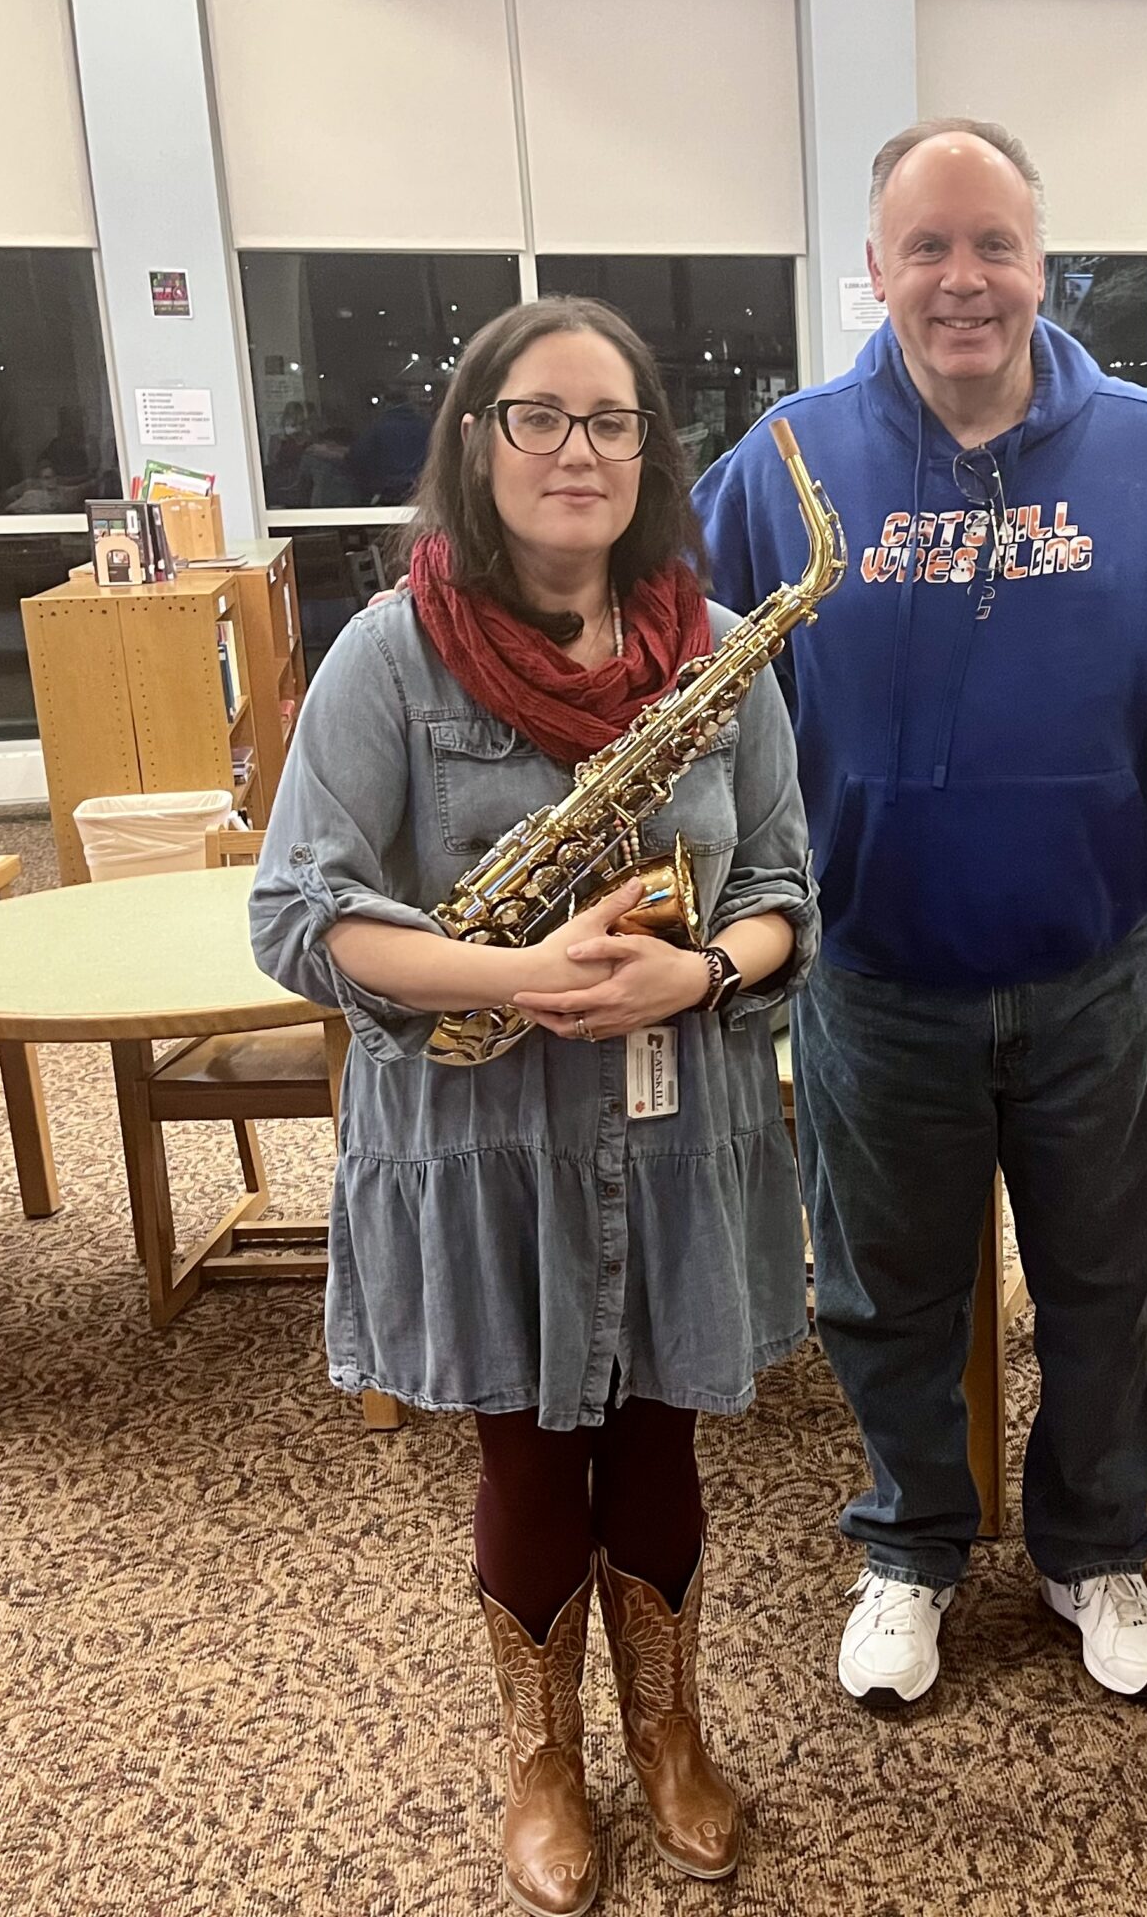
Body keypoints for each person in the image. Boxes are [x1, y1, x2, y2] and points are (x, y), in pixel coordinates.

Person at [251, 295, 815, 1915]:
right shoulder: (389, 650)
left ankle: (671, 1737)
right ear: (479, 442)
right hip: (481, 1136)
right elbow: (300, 915)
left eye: (612, 421)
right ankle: (542, 1761)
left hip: (672, 1115)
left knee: (659, 1434)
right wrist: (507, 977)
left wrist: (700, 972)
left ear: (652, 450)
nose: (579, 451)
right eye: (541, 417)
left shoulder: (714, 654)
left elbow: (785, 883)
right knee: (525, 1450)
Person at [693, 119, 1147, 1711]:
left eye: (993, 245)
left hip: (1098, 963)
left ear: (1041, 263)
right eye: (926, 248)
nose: (961, 280)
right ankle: (910, 1545)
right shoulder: (785, 460)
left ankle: (1095, 1546)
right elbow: (675, 662)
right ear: (873, 269)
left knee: (1100, 1275)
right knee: (884, 1286)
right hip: (873, 972)